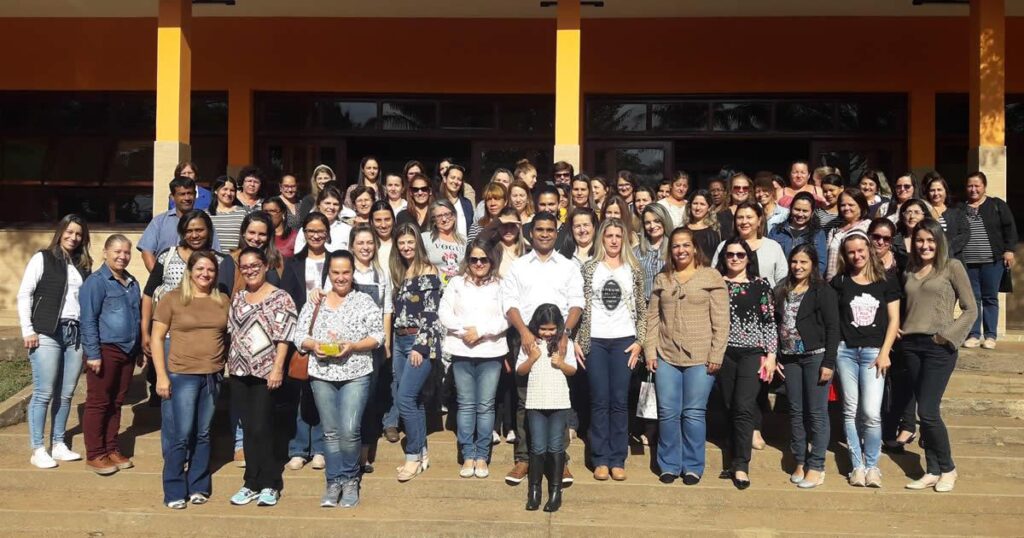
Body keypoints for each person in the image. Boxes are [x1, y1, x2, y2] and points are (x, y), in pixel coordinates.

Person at [295, 250, 383, 508]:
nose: (341, 277)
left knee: (349, 429)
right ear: (328, 274)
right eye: (336, 272)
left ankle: (350, 479)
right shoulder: (316, 301)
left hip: (355, 372)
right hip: (322, 373)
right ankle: (333, 481)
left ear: (353, 272)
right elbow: (299, 334)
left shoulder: (364, 301)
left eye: (346, 272)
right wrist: (314, 345)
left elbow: (378, 337)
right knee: (331, 432)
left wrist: (353, 346)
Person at [502, 211, 584, 486]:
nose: (545, 234)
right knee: (526, 402)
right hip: (527, 339)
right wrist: (524, 332)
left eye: (550, 229)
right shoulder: (519, 266)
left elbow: (576, 302)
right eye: (540, 229)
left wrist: (565, 335)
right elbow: (509, 302)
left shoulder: (568, 266)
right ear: (531, 232)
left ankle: (560, 461)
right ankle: (524, 458)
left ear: (556, 232)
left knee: (558, 401)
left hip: (557, 339)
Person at [645, 227, 728, 485]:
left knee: (693, 412)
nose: (680, 250)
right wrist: (650, 350)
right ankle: (669, 463)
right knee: (668, 411)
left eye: (685, 245)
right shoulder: (663, 279)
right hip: (667, 355)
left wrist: (716, 353)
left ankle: (692, 465)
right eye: (676, 246)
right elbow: (652, 318)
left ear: (694, 248)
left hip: (701, 357)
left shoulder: (711, 277)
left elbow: (722, 321)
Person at [901, 219, 977, 493]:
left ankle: (948, 468)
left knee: (929, 411)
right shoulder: (909, 269)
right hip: (911, 346)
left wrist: (947, 337)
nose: (925, 245)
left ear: (939, 241)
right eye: (920, 240)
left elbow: (970, 309)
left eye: (930, 240)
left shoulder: (952, 267)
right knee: (925, 411)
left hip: (938, 347)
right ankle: (932, 469)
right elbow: (906, 305)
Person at [150, 250, 229, 509]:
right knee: (181, 435)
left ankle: (198, 485)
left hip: (211, 375)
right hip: (181, 374)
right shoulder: (172, 299)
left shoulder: (222, 300)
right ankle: (174, 488)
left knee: (204, 433)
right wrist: (161, 376)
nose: (205, 274)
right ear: (190, 272)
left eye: (210, 270)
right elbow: (157, 338)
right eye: (200, 269)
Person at [17, 214, 92, 469]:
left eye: (79, 234)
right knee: (44, 392)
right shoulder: (43, 258)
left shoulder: (83, 264)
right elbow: (24, 293)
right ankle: (38, 448)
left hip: (75, 333)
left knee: (66, 392)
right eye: (69, 232)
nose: (73, 237)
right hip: (47, 332)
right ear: (60, 232)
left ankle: (58, 443)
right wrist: (28, 329)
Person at [225, 247, 297, 507]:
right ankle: (250, 482)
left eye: (255, 265)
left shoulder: (281, 298)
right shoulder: (239, 297)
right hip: (239, 371)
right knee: (248, 427)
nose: (250, 270)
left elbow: (284, 337)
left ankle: (270, 482)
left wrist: (278, 367)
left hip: (266, 372)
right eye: (245, 267)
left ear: (265, 265)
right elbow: (232, 333)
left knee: (262, 427)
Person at [576, 218, 646, 481]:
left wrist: (640, 341)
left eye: (618, 235)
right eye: (609, 236)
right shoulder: (590, 268)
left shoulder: (633, 269)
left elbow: (641, 307)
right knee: (599, 400)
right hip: (595, 340)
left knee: (619, 400)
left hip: (623, 341)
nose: (614, 240)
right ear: (601, 239)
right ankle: (600, 458)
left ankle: (618, 458)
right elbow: (579, 305)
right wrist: (576, 339)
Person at [141, 211, 234, 408]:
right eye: (189, 230)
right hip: (168, 339)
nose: (194, 235)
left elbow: (224, 298)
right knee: (170, 400)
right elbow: (149, 293)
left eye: (199, 230)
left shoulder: (220, 260)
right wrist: (145, 332)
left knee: (200, 403)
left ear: (208, 231)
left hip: (204, 342)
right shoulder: (167, 256)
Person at [830, 231, 900, 488]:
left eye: (861, 250)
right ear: (845, 255)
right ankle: (857, 466)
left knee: (871, 412)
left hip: (874, 353)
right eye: (851, 252)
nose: (856, 255)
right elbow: (832, 320)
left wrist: (885, 352)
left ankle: (873, 466)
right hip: (845, 351)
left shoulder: (885, 281)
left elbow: (894, 320)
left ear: (869, 250)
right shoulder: (839, 282)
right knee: (850, 410)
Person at [439, 240, 509, 479]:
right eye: (474, 259)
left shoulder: (501, 285)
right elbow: (444, 313)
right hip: (462, 350)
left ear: (491, 261)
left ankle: (482, 455)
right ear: (467, 261)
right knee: (467, 404)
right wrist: (464, 330)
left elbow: (506, 317)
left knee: (486, 405)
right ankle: (468, 453)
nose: (479, 264)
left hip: (490, 351)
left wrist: (481, 331)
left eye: (484, 259)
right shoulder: (456, 283)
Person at [715, 237, 777, 489]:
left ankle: (741, 465)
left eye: (740, 255)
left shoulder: (760, 285)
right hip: (723, 351)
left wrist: (771, 355)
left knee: (743, 406)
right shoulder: (716, 284)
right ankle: (732, 458)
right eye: (730, 254)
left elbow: (769, 321)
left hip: (752, 352)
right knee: (729, 405)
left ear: (748, 258)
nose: (735, 259)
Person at [774, 244, 838, 489]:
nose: (798, 266)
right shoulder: (783, 288)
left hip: (815, 356)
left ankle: (817, 464)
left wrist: (829, 362)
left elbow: (833, 328)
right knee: (795, 411)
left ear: (813, 264)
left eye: (803, 262)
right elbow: (777, 322)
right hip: (790, 357)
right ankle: (800, 460)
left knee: (816, 412)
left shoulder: (822, 290)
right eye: (794, 262)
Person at [79, 234, 141, 475]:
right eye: (117, 251)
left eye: (126, 252)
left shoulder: (132, 282)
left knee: (116, 402)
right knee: (99, 402)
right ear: (105, 253)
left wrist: (137, 350)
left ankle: (111, 447)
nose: (122, 256)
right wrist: (93, 353)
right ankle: (95, 453)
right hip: (105, 350)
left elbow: (136, 317)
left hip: (127, 351)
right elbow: (88, 320)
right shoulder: (96, 282)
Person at [390, 223, 445, 482]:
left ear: (418, 243)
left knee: (405, 399)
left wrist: (421, 347)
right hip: (399, 341)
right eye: (401, 243)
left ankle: (411, 456)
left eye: (410, 242)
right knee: (415, 400)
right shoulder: (403, 271)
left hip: (417, 341)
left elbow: (431, 312)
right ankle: (422, 452)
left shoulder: (429, 270)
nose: (406, 247)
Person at [281, 212, 331, 472]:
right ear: (304, 233)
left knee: (322, 393)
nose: (316, 235)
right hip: (301, 337)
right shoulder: (292, 263)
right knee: (301, 393)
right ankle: (299, 448)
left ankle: (321, 448)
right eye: (311, 230)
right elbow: (287, 300)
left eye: (320, 230)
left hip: (329, 337)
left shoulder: (336, 260)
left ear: (327, 231)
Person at [516, 304, 577, 513]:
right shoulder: (530, 344)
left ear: (559, 327)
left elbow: (573, 370)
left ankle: (555, 492)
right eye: (543, 329)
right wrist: (532, 358)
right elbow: (520, 370)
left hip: (559, 402)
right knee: (538, 447)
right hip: (535, 402)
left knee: (555, 447)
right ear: (536, 326)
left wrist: (560, 363)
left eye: (552, 329)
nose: (548, 333)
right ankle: (534, 492)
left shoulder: (564, 344)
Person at [349, 225, 393, 474]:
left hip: (373, 346)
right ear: (352, 246)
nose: (365, 247)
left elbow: (386, 309)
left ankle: (363, 454)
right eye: (360, 243)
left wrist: (386, 343)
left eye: (369, 243)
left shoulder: (380, 273)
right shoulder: (345, 271)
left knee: (368, 401)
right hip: (348, 347)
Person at [960, 171, 1017, 349]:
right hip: (968, 262)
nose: (973, 189)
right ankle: (974, 334)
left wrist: (1009, 250)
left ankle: (990, 336)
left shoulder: (996, 205)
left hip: (993, 261)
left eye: (977, 185)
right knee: (973, 299)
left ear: (984, 187)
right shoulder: (960, 208)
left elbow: (1010, 228)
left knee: (990, 298)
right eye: (970, 185)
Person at [139, 176, 221, 271]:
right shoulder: (159, 222)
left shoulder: (204, 222)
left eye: (190, 193)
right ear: (172, 197)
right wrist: (159, 278)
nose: (187, 198)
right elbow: (147, 252)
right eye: (182, 194)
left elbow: (215, 253)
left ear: (195, 195)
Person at [712, 201, 788, 286]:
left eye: (749, 217)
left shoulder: (773, 247)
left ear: (759, 220)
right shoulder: (724, 246)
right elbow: (714, 277)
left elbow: (782, 281)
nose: (744, 222)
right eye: (740, 217)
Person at [768, 191, 827, 274]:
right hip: (780, 281)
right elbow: (769, 258)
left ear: (812, 212)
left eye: (805, 211)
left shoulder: (818, 234)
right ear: (791, 209)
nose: (800, 214)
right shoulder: (776, 231)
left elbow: (821, 264)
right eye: (797, 209)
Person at [825, 189, 872, 280]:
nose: (846, 208)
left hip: (855, 279)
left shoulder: (868, 227)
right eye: (843, 205)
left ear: (861, 206)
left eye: (851, 205)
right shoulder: (834, 230)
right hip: (832, 281)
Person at [923, 172, 969, 259]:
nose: (936, 193)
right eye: (932, 190)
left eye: (939, 189)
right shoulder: (924, 212)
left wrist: (945, 249)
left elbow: (965, 234)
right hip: (929, 259)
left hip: (953, 259)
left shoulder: (956, 212)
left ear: (945, 191)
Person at [294, 185, 352, 253]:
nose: (331, 207)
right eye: (327, 203)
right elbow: (298, 256)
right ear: (319, 205)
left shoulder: (347, 230)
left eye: (335, 204)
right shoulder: (306, 229)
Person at [422, 199, 467, 282]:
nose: (444, 219)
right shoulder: (425, 238)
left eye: (447, 214)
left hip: (458, 291)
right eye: (439, 216)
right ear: (433, 220)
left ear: (454, 216)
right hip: (435, 290)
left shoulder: (464, 241)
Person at [636, 204, 672, 297]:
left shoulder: (674, 249)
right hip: (645, 305)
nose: (652, 226)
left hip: (668, 305)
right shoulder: (636, 252)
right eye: (647, 222)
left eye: (657, 221)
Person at [207, 176, 247, 252]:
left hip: (234, 260)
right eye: (225, 189)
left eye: (232, 190)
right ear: (216, 191)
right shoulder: (206, 214)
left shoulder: (242, 213)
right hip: (213, 259)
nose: (228, 193)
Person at [438, 164, 474, 238]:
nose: (455, 181)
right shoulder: (437, 202)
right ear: (445, 179)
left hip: (464, 247)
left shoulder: (467, 204)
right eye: (452, 177)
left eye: (459, 179)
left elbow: (471, 228)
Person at [686, 189, 722, 262]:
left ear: (709, 208)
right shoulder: (682, 230)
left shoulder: (712, 233)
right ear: (690, 205)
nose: (698, 208)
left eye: (702, 204)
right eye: (695, 203)